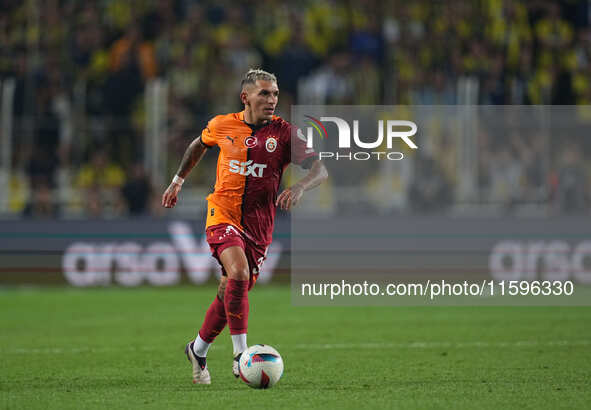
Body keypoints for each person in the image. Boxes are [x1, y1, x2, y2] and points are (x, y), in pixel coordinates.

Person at [161, 69, 328, 384]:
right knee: (237, 273)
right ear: (246, 97)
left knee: (231, 291)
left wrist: (302, 186)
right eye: (264, 93)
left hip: (259, 227)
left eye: (275, 94)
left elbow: (320, 169)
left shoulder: (285, 134)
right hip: (222, 213)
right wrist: (177, 181)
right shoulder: (223, 124)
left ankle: (197, 350)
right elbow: (198, 145)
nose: (271, 100)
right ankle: (241, 355)